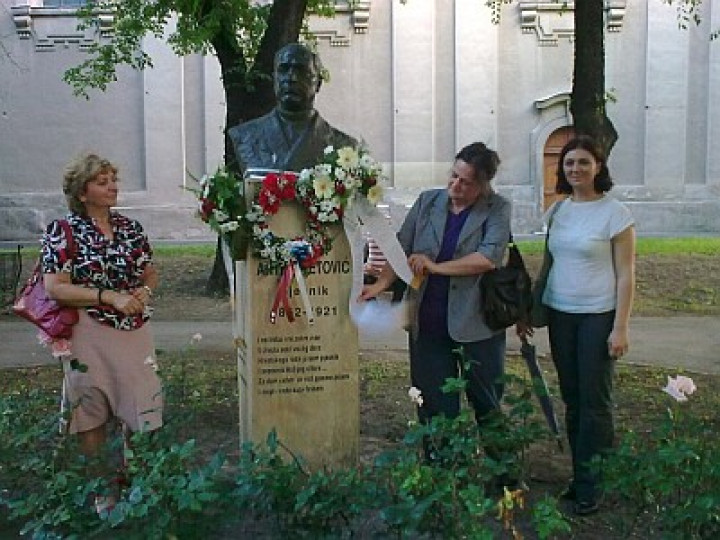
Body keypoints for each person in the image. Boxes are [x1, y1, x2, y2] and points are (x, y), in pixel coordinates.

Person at [359, 142, 511, 460]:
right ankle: (440, 474)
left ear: (483, 185)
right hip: (428, 323)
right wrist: (382, 283)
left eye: (466, 181)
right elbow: (401, 246)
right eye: (453, 176)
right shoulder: (429, 201)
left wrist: (436, 267)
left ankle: (505, 476)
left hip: (477, 325)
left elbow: (489, 257)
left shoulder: (497, 208)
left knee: (487, 403)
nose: (455, 185)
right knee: (433, 404)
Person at [42, 153, 162, 513]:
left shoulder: (130, 227)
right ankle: (102, 490)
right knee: (90, 408)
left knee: (142, 404)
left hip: (134, 329)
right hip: (87, 330)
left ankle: (137, 483)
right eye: (102, 181)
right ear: (82, 192)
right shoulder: (62, 231)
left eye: (113, 179)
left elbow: (150, 271)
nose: (112, 186)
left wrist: (144, 292)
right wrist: (108, 296)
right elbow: (55, 287)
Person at [528, 135, 635, 516]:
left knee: (595, 402)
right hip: (561, 314)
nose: (575, 169)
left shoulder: (615, 214)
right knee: (573, 399)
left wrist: (619, 328)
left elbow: (626, 274)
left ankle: (594, 484)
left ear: (599, 167)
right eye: (569, 163)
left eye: (583, 162)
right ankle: (579, 477)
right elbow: (549, 265)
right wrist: (533, 310)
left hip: (598, 315)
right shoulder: (558, 211)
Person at [228, 42, 357, 174]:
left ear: (318, 83)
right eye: (284, 69)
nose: (291, 78)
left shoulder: (343, 146)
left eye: (301, 71)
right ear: (275, 79)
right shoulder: (244, 136)